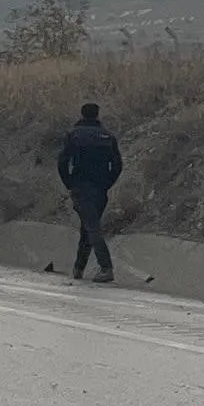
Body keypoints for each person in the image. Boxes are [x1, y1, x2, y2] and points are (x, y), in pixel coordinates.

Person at [57, 101, 121, 281]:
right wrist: (108, 183)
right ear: (97, 114)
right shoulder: (108, 137)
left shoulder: (74, 135)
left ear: (82, 114)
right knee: (88, 227)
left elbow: (62, 162)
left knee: (92, 227)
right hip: (100, 189)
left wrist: (69, 183)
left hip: (81, 186)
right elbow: (117, 165)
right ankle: (79, 268)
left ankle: (106, 268)